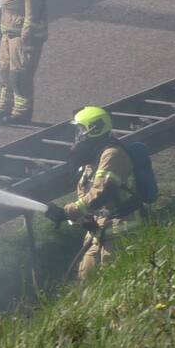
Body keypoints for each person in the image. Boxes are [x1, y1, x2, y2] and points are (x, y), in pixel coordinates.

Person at [45, 106, 139, 280]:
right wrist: (84, 218)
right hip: (99, 229)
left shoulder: (112, 155)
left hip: (121, 229)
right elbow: (87, 196)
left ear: (94, 129)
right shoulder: (93, 158)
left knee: (114, 281)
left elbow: (102, 192)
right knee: (86, 282)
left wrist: (67, 212)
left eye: (80, 130)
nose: (78, 135)